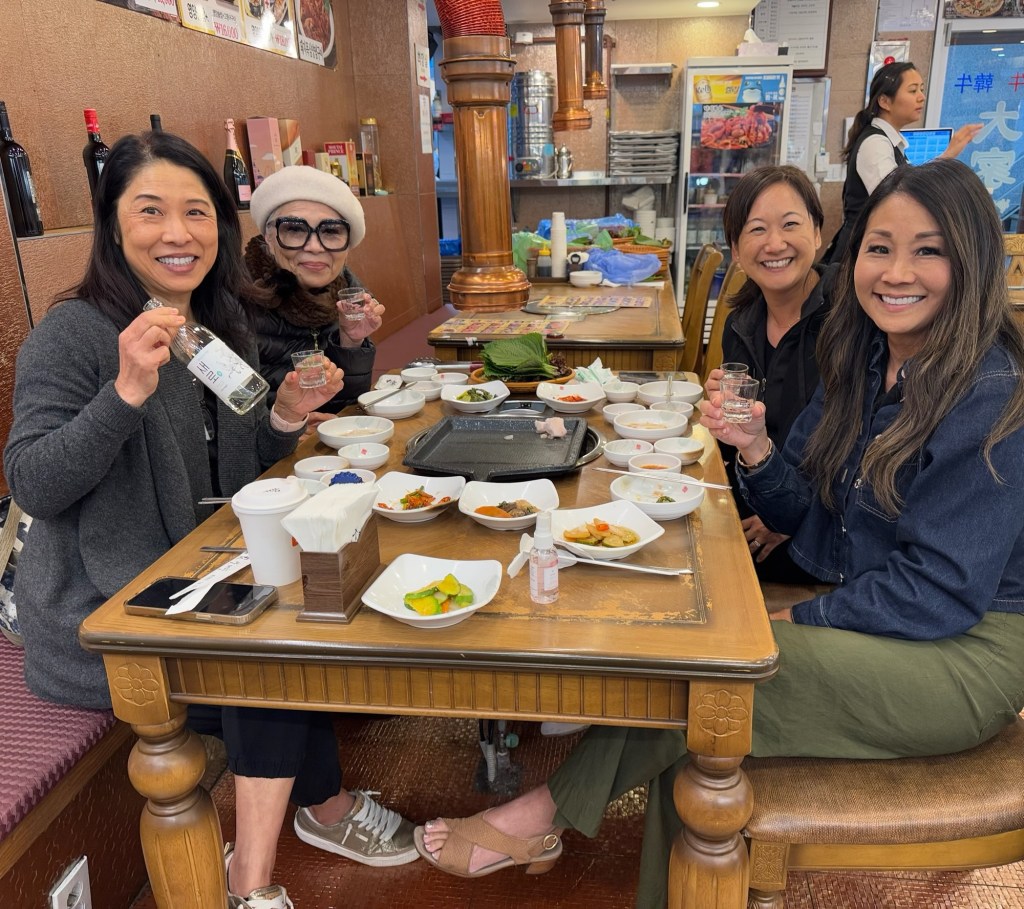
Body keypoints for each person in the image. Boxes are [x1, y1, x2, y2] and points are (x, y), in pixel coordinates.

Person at [413, 159, 1024, 908]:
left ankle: (540, 814)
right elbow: (801, 513)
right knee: (703, 720)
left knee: (713, 677)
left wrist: (798, 617)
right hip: (879, 609)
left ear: (973, 262)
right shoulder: (863, 359)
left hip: (964, 654)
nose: (897, 272)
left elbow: (939, 592)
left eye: (928, 251)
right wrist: (757, 447)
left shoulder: (989, 392)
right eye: (880, 247)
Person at [2, 132, 416, 909]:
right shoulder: (76, 333)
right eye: (150, 210)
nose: (177, 232)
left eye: (196, 212)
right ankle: (251, 884)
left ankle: (321, 810)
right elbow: (34, 482)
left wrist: (285, 413)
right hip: (104, 609)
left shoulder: (217, 324)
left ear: (220, 227)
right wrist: (124, 392)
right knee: (266, 659)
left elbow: (246, 462)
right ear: (112, 223)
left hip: (201, 571)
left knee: (306, 619)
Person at [707, 164, 833, 582]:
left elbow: (858, 452)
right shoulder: (742, 324)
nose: (775, 243)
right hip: (755, 503)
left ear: (818, 232)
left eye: (790, 224)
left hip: (820, 540)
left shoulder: (848, 321)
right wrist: (720, 413)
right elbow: (742, 441)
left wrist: (788, 515)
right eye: (757, 229)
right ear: (736, 249)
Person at [245, 166, 385, 433]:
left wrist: (351, 342)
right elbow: (230, 423)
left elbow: (343, 407)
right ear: (269, 237)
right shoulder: (236, 302)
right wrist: (286, 426)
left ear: (347, 245)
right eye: (295, 230)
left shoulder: (346, 298)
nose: (314, 246)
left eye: (330, 232)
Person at [823, 61, 981, 264]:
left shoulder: (889, 142)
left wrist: (949, 154)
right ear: (885, 101)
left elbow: (906, 187)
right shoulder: (875, 143)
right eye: (913, 90)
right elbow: (897, 199)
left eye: (922, 89)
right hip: (859, 254)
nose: (921, 97)